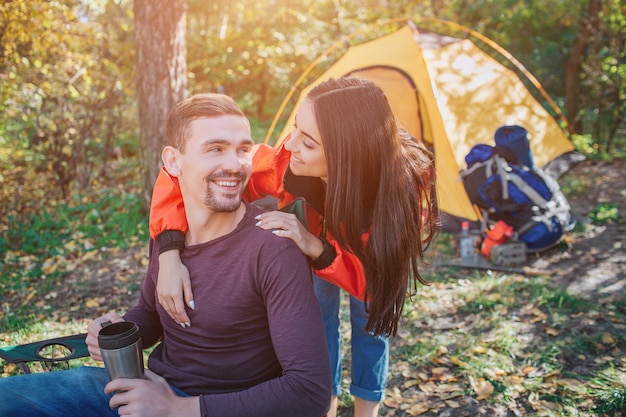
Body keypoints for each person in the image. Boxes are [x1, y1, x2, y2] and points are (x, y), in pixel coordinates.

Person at [0, 93, 332, 417]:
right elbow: (152, 315)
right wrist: (117, 331)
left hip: (213, 408)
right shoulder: (167, 237)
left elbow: (309, 391)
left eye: (243, 150)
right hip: (143, 391)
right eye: (215, 149)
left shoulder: (273, 247)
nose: (234, 165)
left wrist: (179, 409)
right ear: (174, 161)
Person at [151, 77, 440, 416]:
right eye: (295, 129)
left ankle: (367, 410)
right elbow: (180, 174)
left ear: (345, 153)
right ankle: (326, 407)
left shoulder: (402, 191)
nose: (290, 145)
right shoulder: (289, 163)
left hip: (362, 258)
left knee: (370, 324)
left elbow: (374, 282)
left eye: (309, 142)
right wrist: (168, 252)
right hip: (317, 244)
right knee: (317, 317)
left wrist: (319, 249)